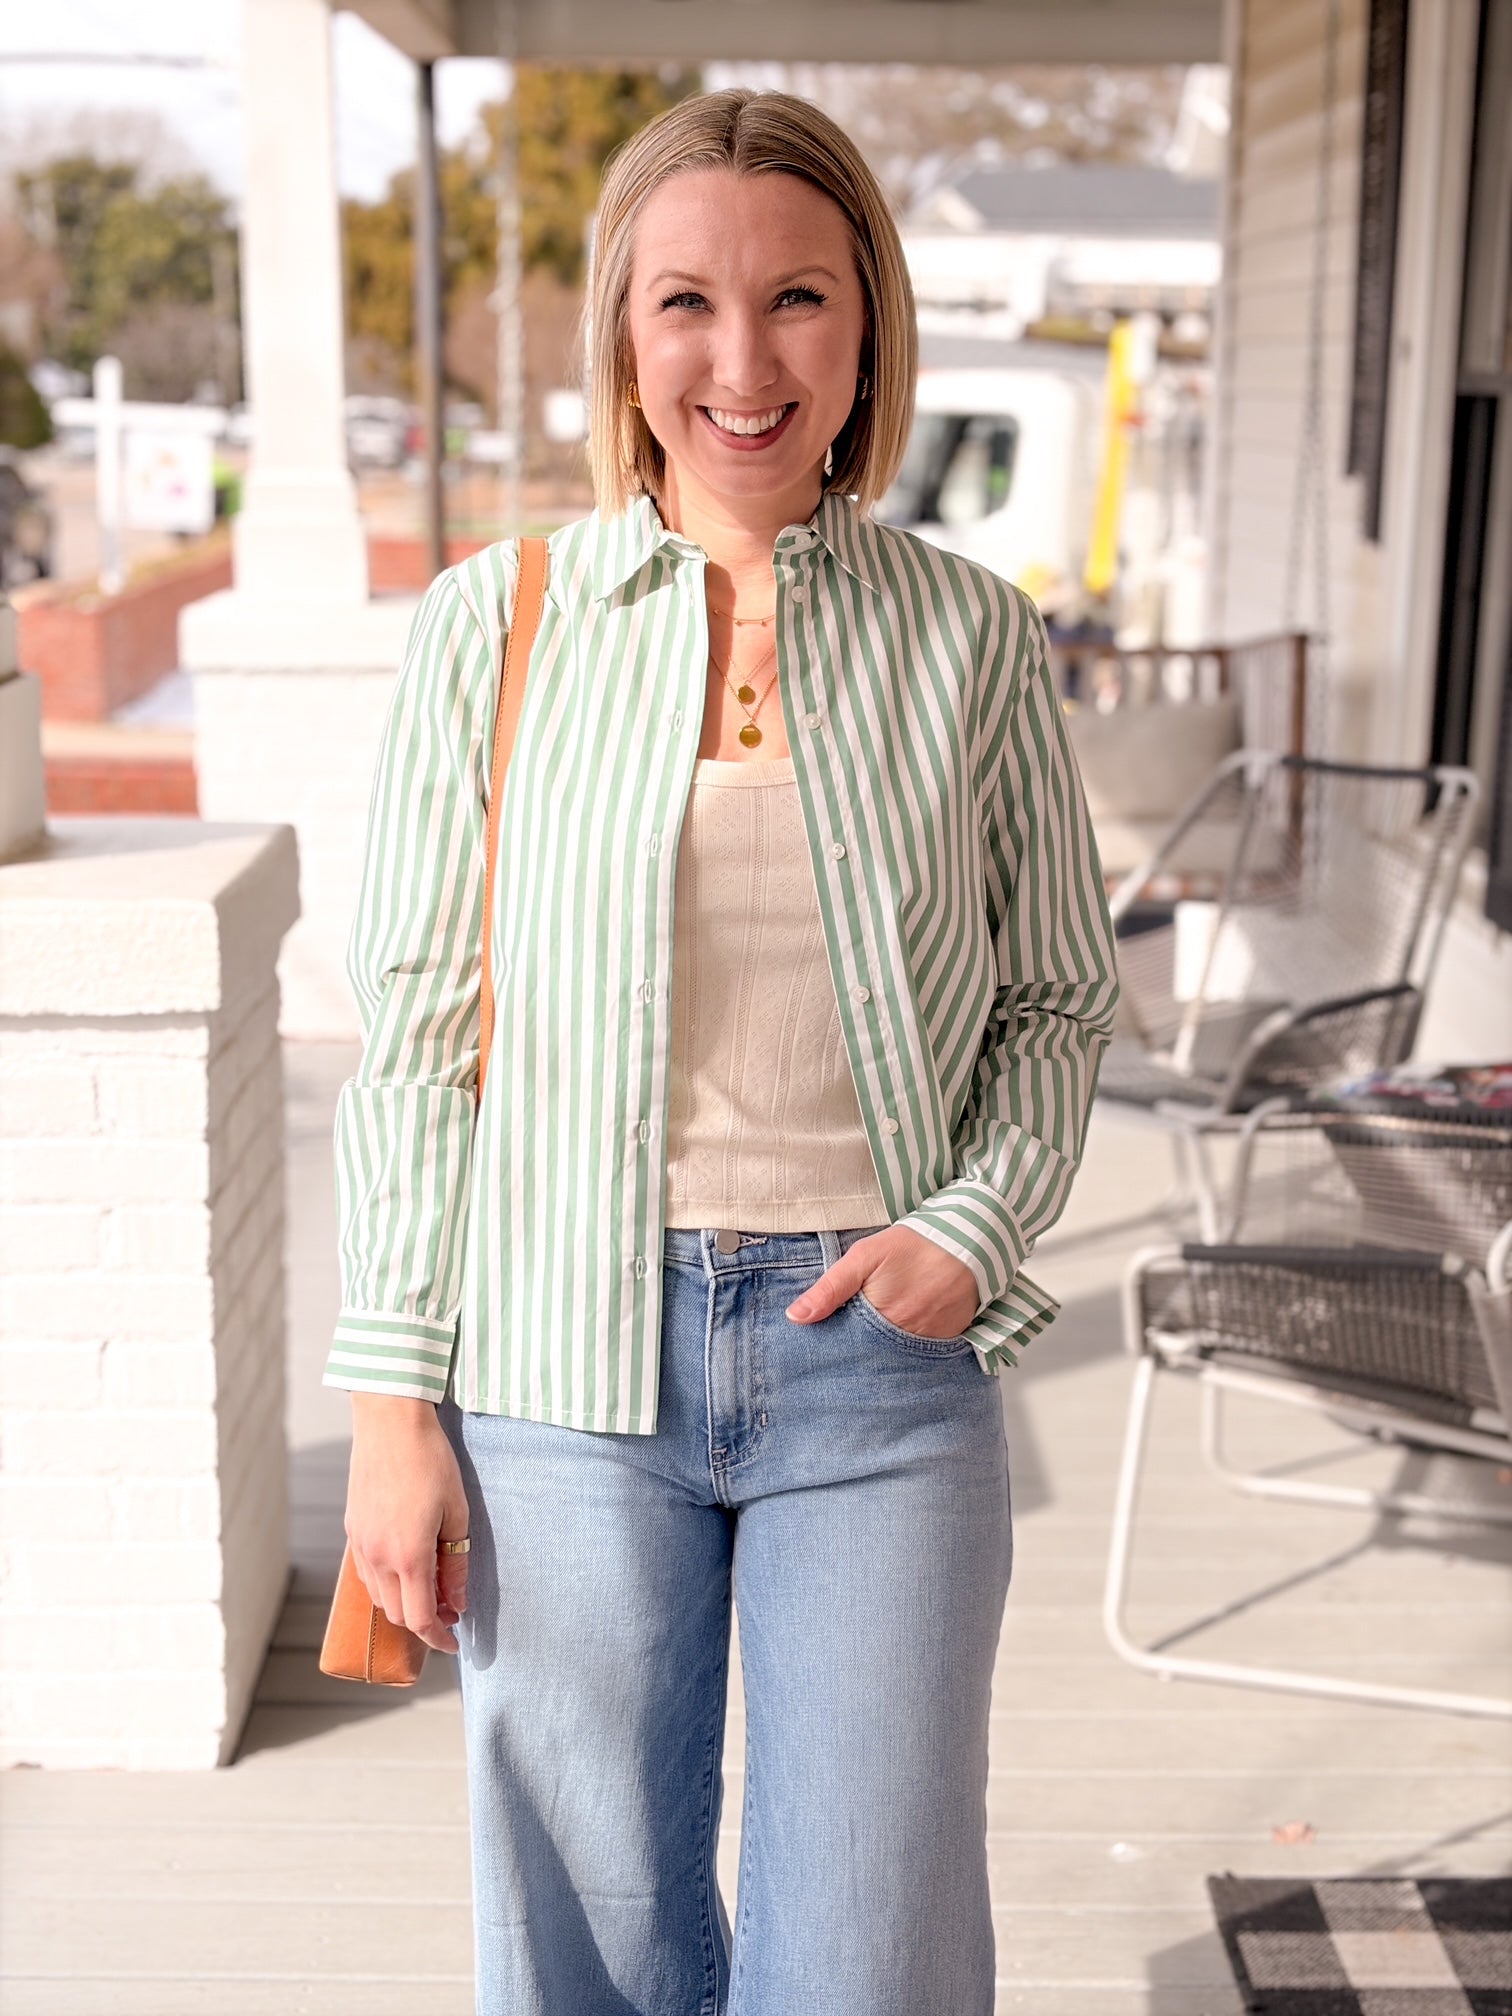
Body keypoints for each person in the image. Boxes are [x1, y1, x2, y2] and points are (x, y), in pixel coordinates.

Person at [328, 87, 1118, 2016]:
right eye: (686, 302)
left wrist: (975, 1230)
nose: (742, 362)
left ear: (869, 330)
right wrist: (390, 1415)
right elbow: (419, 1039)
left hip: (878, 1363)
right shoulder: (489, 628)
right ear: (622, 326)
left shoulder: (973, 639)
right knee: (585, 1953)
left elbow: (1062, 1000)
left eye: (799, 300)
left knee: (869, 1956)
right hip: (556, 1371)